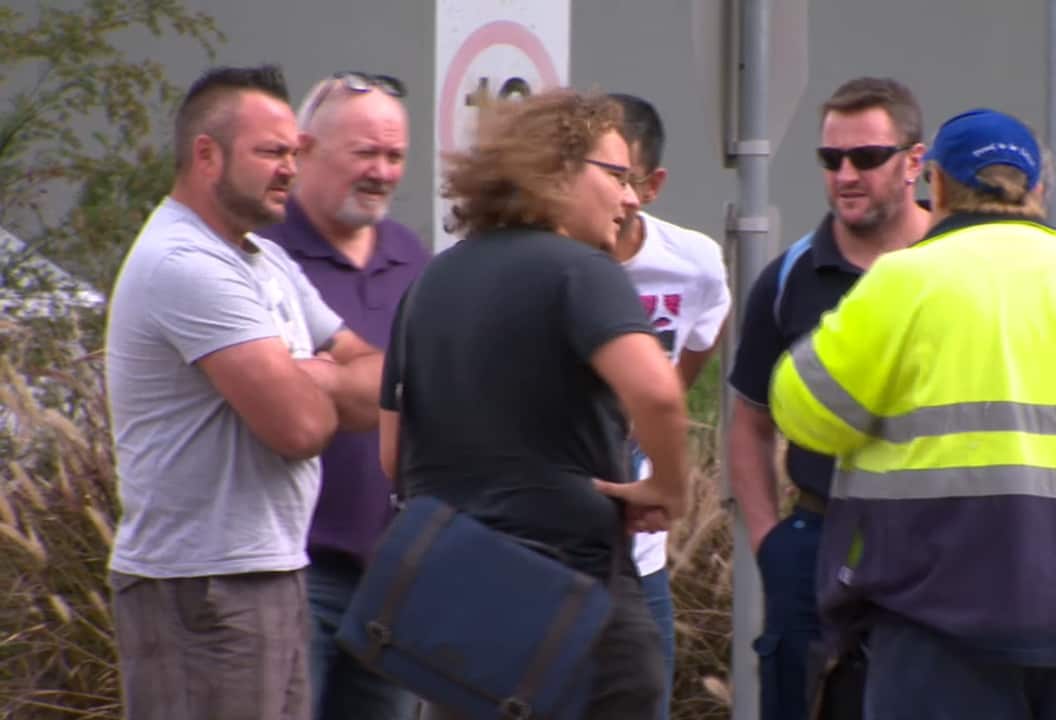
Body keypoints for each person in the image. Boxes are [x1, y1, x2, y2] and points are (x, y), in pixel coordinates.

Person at [769, 108, 1056, 720]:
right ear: (1039, 191)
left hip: (939, 621)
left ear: (938, 185)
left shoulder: (904, 283)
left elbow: (805, 412)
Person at [378, 88, 690, 720]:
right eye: (617, 177)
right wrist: (669, 488)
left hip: (460, 615)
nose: (631, 200)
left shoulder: (429, 284)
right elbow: (658, 391)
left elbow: (394, 457)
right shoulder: (581, 271)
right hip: (576, 605)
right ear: (555, 173)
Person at [104, 64, 384, 720]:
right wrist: (314, 383)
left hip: (271, 571)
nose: (289, 168)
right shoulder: (187, 264)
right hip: (203, 590)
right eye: (270, 152)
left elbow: (380, 375)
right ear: (207, 155)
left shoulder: (263, 258)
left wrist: (315, 376)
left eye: (294, 152)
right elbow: (299, 428)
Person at [725, 76, 931, 720]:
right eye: (830, 159)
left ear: (914, 163)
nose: (846, 174)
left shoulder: (958, 266)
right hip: (819, 537)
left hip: (939, 541)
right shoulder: (789, 277)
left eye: (866, 158)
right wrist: (770, 541)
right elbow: (748, 420)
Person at [256, 71, 429, 720]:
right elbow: (284, 401)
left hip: (396, 579)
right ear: (305, 150)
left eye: (395, 156)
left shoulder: (413, 258)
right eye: (366, 154)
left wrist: (330, 376)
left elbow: (436, 394)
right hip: (295, 574)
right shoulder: (264, 256)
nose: (383, 172)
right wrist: (390, 382)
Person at [608, 92, 732, 718]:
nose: (609, 195)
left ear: (649, 186)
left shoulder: (693, 262)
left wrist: (652, 428)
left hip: (641, 561)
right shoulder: (548, 264)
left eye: (620, 177)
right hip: (545, 551)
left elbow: (702, 340)